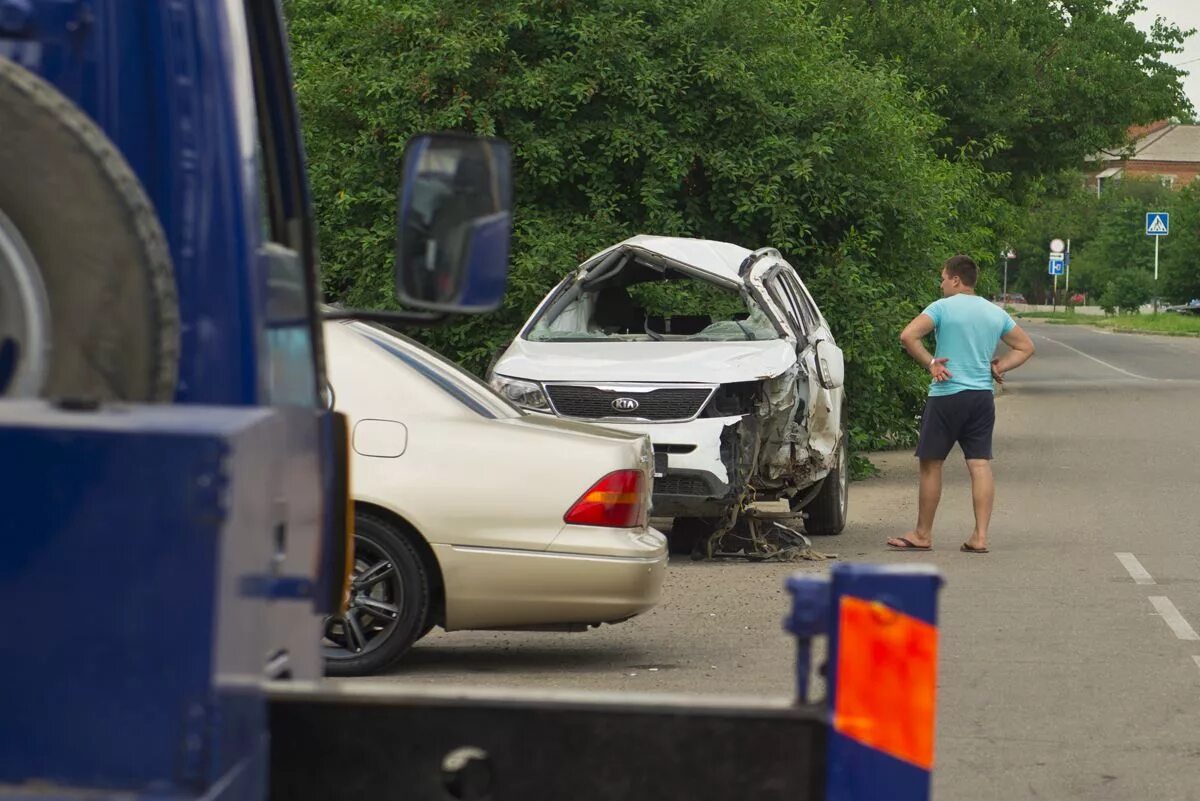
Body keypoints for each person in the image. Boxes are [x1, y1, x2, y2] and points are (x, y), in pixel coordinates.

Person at [888, 254, 1036, 554]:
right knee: (979, 464)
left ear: (956, 279)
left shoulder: (942, 307)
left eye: (943, 278)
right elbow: (1025, 346)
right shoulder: (995, 313)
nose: (941, 284)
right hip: (981, 397)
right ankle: (980, 536)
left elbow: (908, 336)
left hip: (946, 394)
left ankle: (922, 533)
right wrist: (1000, 367)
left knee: (931, 464)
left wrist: (931, 362)